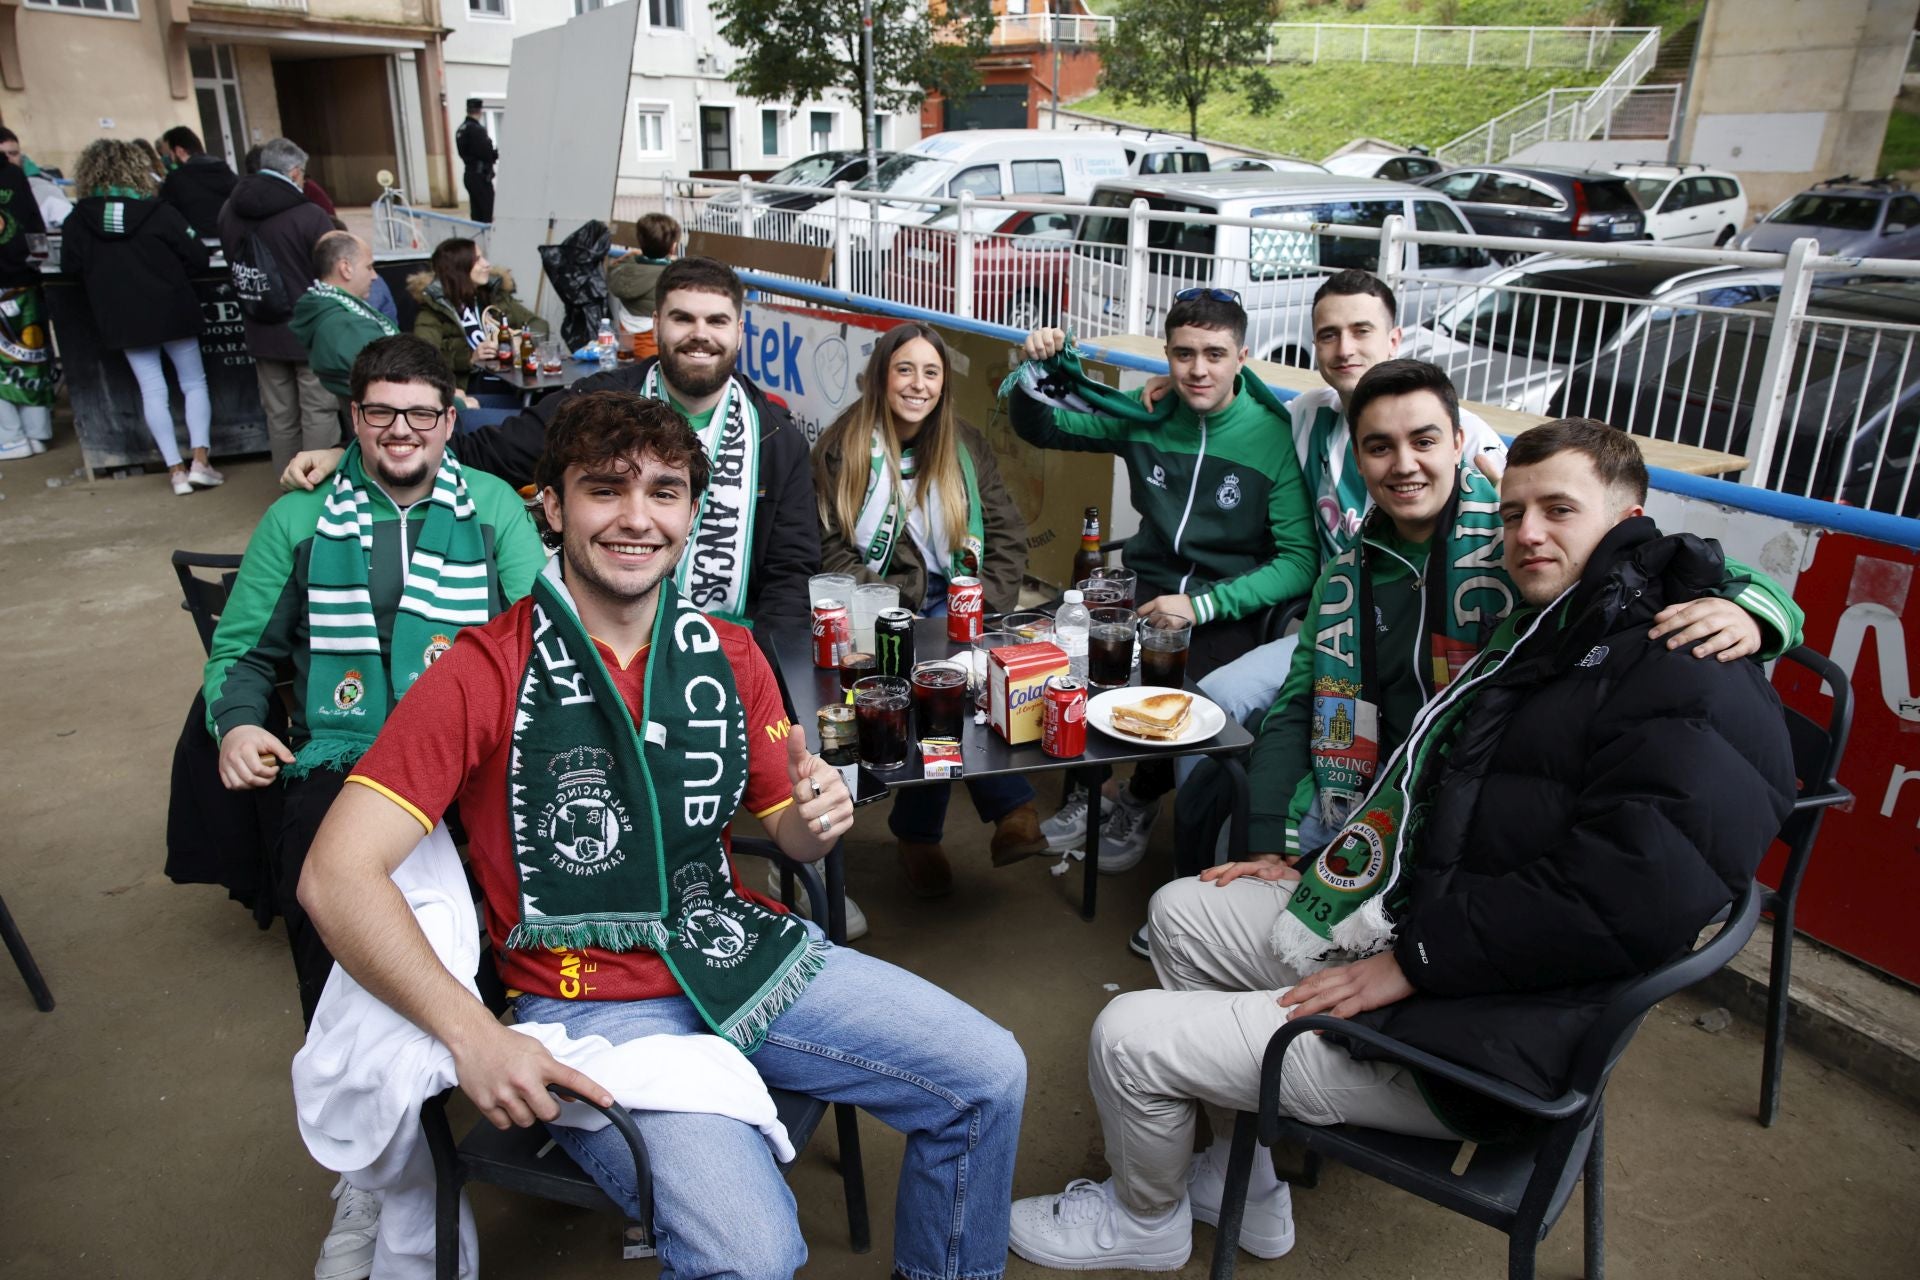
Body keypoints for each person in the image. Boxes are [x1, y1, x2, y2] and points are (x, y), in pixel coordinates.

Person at [1006, 404, 1800, 1273]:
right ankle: (1244, 1180)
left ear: (1630, 519)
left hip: (1480, 1043)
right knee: (1182, 911)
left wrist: (1411, 961)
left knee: (1128, 1034)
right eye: (1512, 513)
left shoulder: (1685, 660)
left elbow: (1625, 896)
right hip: (1443, 951)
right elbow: (1448, 800)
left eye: (1559, 511)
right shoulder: (1556, 627)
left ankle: (1141, 1222)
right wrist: (1319, 866)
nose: (1528, 533)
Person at [297, 389, 1027, 1278]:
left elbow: (788, 836)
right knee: (751, 1253)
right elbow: (335, 876)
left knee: (988, 1076)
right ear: (553, 507)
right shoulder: (479, 672)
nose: (636, 518)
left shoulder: (730, 652)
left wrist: (818, 820)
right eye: (605, 490)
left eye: (665, 492)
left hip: (740, 949)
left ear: (690, 512)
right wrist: (473, 1034)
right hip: (594, 1010)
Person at [204, 335, 544, 1278]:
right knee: (325, 904)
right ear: (354, 417)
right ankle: (381, 1167)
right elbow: (241, 655)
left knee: (528, 896)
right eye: (381, 412)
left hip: (472, 758)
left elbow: (539, 636)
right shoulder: (300, 520)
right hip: (345, 757)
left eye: (422, 413)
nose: (401, 430)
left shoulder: (494, 515)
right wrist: (236, 725)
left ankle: (504, 1094)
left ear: (452, 417)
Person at [287, 256, 819, 638]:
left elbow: (789, 577)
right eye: (682, 318)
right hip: (598, 642)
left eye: (717, 321)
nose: (699, 334)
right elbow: (486, 453)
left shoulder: (777, 437)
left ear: (740, 330)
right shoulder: (599, 399)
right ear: (656, 324)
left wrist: (762, 672)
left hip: (725, 649)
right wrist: (352, 452)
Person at [1010, 291, 1320, 872]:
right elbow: (1046, 427)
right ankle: (1087, 793)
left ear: (1242, 357)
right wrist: (1034, 370)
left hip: (1227, 605)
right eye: (1184, 354)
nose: (1198, 369)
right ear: (1167, 355)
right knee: (1064, 657)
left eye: (1214, 354)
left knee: (1177, 684)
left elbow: (1302, 562)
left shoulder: (1272, 438)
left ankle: (1138, 800)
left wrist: (1202, 606)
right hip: (1142, 583)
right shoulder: (1146, 410)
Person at [815, 322, 1045, 896]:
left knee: (979, 677)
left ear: (944, 383)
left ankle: (978, 818)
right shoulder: (842, 447)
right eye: (905, 370)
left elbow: (1008, 534)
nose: (919, 385)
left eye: (931, 372)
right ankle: (934, 831)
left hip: (965, 597)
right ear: (881, 377)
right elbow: (828, 552)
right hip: (887, 605)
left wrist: (977, 604)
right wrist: (898, 613)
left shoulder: (964, 445)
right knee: (931, 689)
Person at [59, 139, 220, 495]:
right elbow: (198, 257)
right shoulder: (159, 211)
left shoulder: (78, 219)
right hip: (173, 309)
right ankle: (201, 462)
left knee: (152, 390)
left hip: (121, 317)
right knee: (193, 383)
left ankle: (176, 471)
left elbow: (68, 267)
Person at [218, 136, 341, 470]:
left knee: (279, 415)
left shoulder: (229, 210)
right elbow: (332, 271)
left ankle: (289, 490)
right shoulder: (309, 214)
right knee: (318, 410)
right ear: (296, 172)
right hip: (309, 332)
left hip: (259, 328)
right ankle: (317, 491)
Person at [405, 236, 543, 381]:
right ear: (458, 268)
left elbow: (537, 323)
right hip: (470, 387)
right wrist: (470, 357)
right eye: (477, 260)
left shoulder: (493, 295)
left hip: (510, 380)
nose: (487, 264)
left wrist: (521, 339)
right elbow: (423, 358)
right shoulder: (434, 310)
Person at [291, 231, 399, 400]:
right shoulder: (347, 328)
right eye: (369, 267)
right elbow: (398, 381)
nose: (374, 276)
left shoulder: (325, 308)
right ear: (346, 269)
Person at [0, 137, 54, 460]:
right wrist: (37, 260)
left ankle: (10, 436)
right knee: (30, 354)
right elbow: (34, 223)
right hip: (25, 279)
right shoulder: (14, 174)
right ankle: (37, 433)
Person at [606, 211, 680, 359]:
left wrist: (630, 256)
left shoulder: (622, 270)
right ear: (673, 248)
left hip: (626, 342)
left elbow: (613, 268)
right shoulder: (672, 276)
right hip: (655, 347)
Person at [158, 126, 239, 242]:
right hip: (230, 240)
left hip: (197, 244)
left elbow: (166, 214)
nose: (168, 159)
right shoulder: (224, 170)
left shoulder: (176, 179)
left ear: (179, 151)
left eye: (169, 154)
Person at [455, 99, 497, 225]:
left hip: (470, 173)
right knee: (486, 212)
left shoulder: (461, 129)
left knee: (476, 212)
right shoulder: (476, 130)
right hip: (480, 176)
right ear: (479, 111)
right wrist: (495, 154)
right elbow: (486, 153)